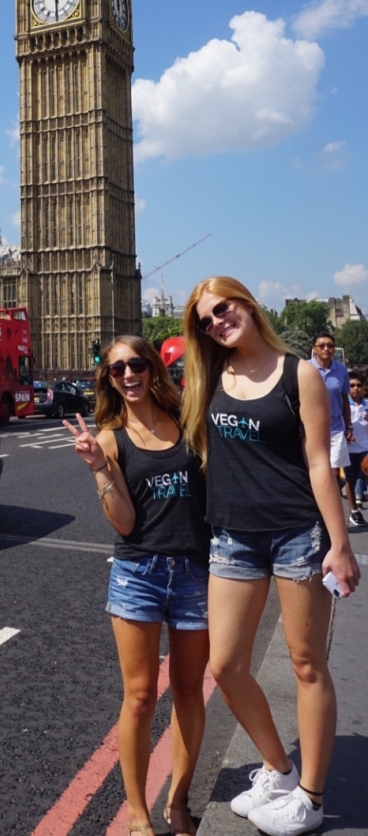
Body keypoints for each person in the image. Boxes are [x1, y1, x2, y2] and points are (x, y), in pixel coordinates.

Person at [181, 277, 361, 836]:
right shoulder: (208, 377)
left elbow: (317, 464)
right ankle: (280, 771)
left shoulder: (298, 373)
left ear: (247, 304)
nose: (217, 323)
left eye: (223, 309)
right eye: (206, 320)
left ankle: (310, 796)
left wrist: (340, 543)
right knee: (226, 665)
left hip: (295, 535)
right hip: (232, 537)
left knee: (307, 665)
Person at [63, 335, 210, 836]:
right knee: (141, 697)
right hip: (138, 577)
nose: (128, 374)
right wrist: (100, 468)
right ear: (108, 378)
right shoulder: (109, 439)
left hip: (195, 573)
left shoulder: (189, 423)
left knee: (190, 693)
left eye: (136, 364)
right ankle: (136, 812)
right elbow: (124, 523)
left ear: (152, 369)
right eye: (117, 368)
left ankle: (178, 801)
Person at [307, 332, 366, 524]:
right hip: (309, 429)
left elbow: (344, 400)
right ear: (314, 348)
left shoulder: (341, 369)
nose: (326, 349)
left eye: (330, 345)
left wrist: (348, 425)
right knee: (313, 471)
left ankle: (331, 517)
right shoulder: (305, 368)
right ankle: (314, 513)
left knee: (333, 475)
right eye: (322, 345)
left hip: (335, 429)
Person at [345, 370, 368, 514]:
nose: (355, 389)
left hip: (365, 449)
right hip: (349, 450)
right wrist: (345, 434)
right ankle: (354, 511)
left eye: (358, 385)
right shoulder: (344, 406)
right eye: (352, 385)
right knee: (351, 481)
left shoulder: (367, 404)